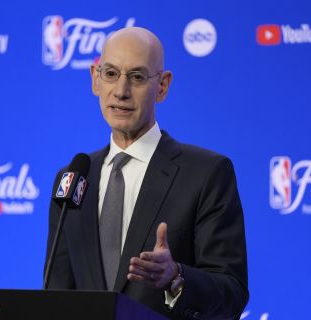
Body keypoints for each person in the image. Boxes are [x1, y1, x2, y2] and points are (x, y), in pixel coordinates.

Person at [45, 26, 248, 320]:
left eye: (137, 77)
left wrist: (176, 277)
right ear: (94, 79)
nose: (121, 91)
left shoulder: (206, 174)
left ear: (163, 86)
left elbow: (232, 294)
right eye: (111, 73)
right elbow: (57, 294)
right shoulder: (75, 178)